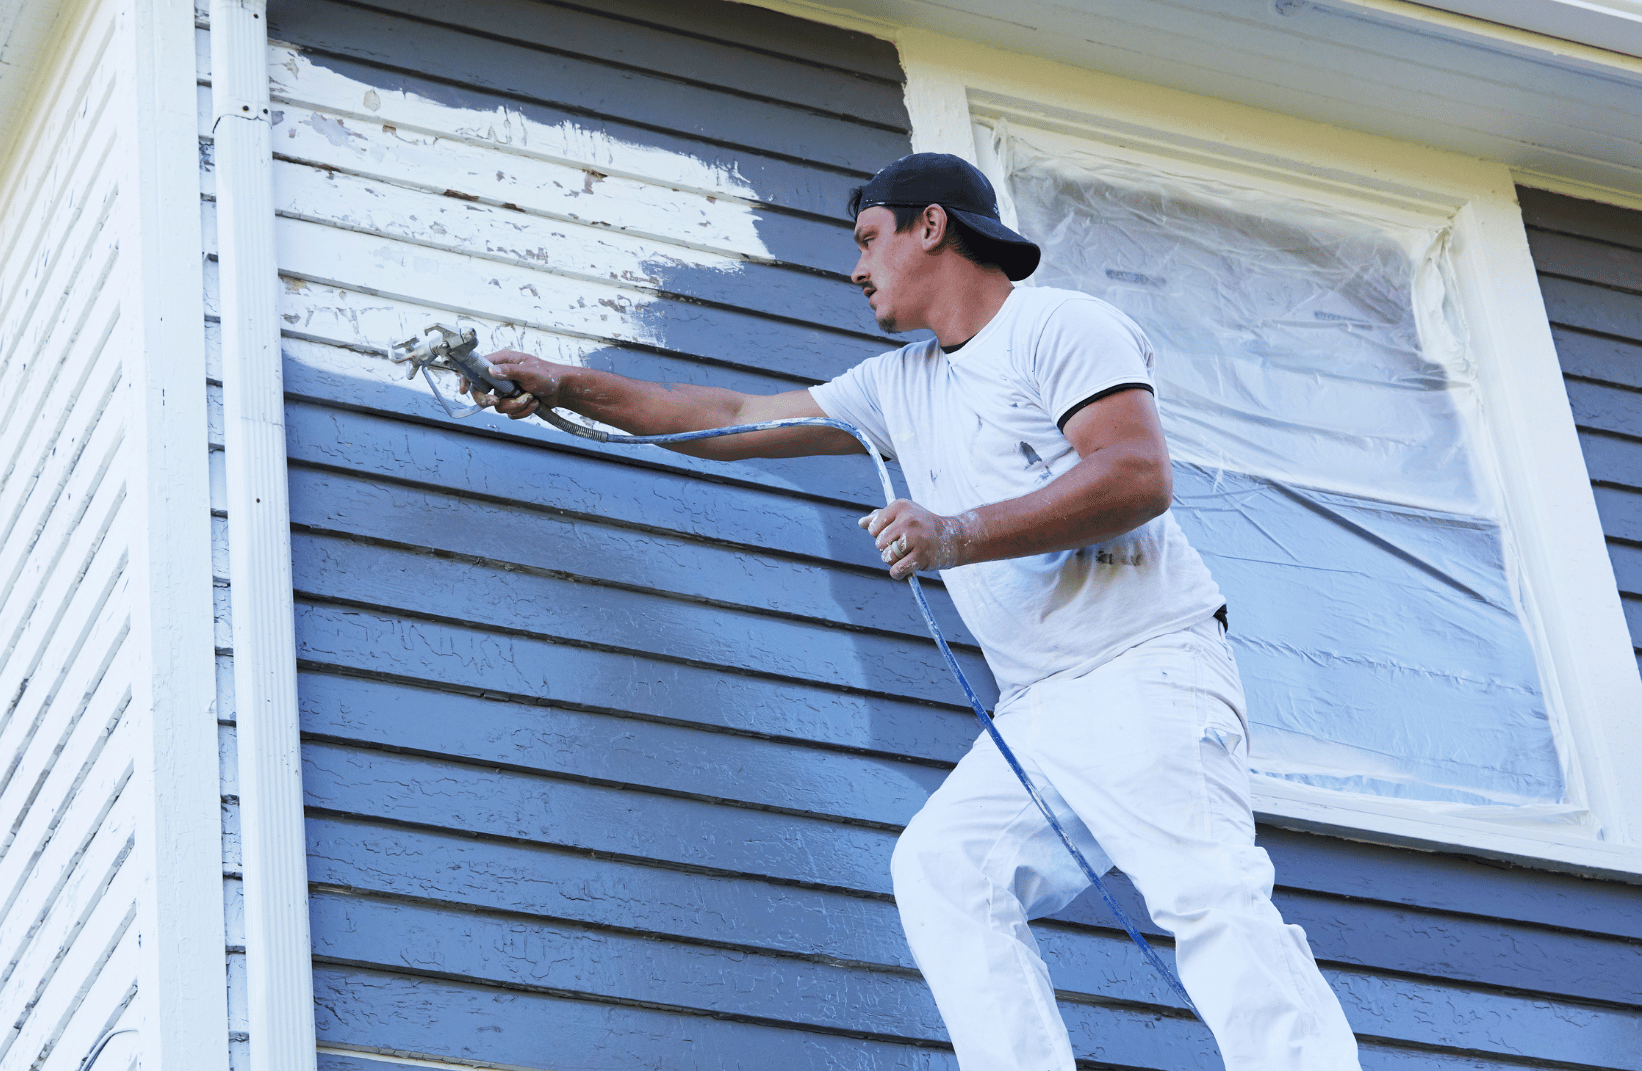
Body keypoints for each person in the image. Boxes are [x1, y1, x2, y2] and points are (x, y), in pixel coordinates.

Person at [468, 152, 1362, 1070]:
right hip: (1040, 707)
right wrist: (563, 384)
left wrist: (955, 534)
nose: (855, 270)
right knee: (944, 870)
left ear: (930, 226)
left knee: (1204, 893)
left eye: (867, 240)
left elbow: (1135, 476)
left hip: (1145, 666)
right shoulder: (898, 385)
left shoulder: (1059, 325)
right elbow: (726, 410)